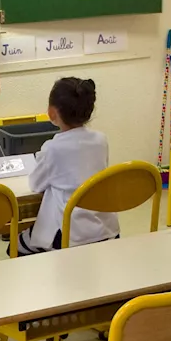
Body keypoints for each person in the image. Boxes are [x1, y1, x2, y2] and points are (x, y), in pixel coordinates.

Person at [19, 77, 117, 254]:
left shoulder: (53, 148)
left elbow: (35, 184)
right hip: (105, 228)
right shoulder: (101, 140)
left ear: (51, 112)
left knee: (16, 245)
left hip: (69, 233)